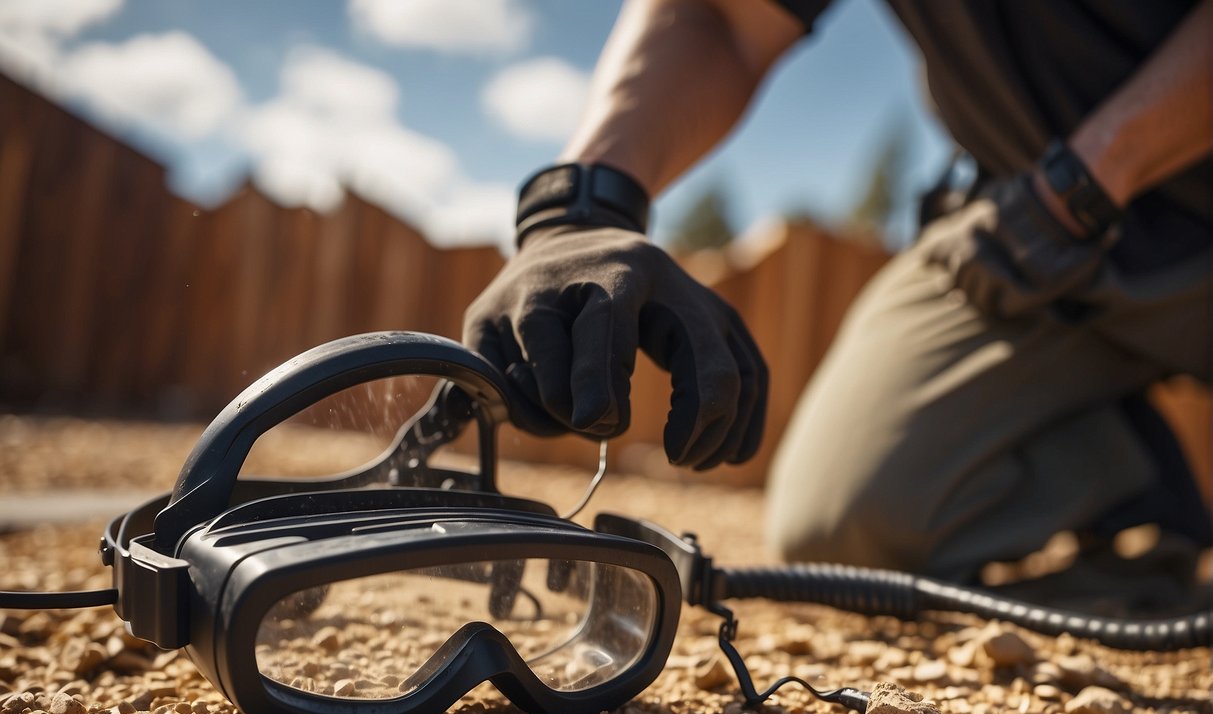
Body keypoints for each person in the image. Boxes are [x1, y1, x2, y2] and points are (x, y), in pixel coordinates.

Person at [463, 0, 1212, 606]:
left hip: (1083, 207)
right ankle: (1133, 490)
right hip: (1021, 238)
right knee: (840, 529)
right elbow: (722, 18)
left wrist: (1088, 177)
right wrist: (580, 208)